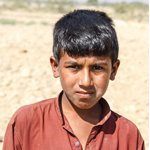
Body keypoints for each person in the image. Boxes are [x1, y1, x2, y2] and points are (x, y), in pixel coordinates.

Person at [3, 9, 145, 150]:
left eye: (97, 68)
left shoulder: (128, 136)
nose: (85, 81)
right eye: (74, 67)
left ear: (113, 70)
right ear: (55, 66)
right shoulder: (26, 123)